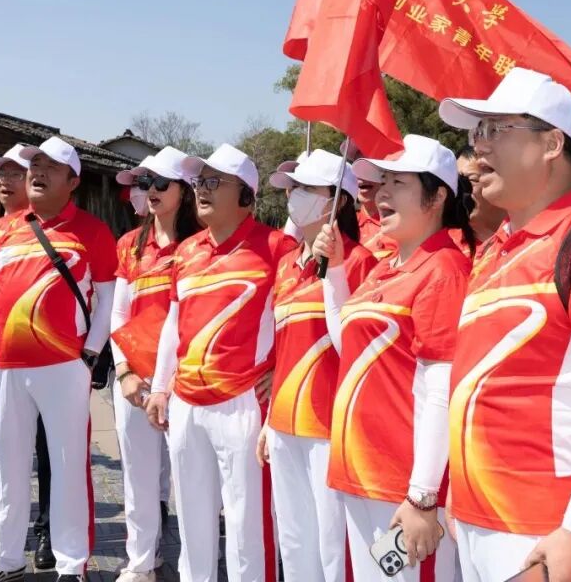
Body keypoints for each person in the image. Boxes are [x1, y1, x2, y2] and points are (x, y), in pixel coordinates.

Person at [437, 69, 571, 582]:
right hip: (476, 516)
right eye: (478, 132)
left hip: (542, 525)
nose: (479, 147)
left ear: (553, 143)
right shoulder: (492, 251)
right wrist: (455, 492)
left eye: (497, 130)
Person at [0, 136, 117, 582]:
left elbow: (109, 298)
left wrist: (90, 353)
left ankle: (71, 564)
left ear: (73, 181)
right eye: (34, 165)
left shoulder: (92, 231)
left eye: (50, 167)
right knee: (8, 466)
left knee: (67, 465)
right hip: (2, 366)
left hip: (64, 366)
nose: (38, 173)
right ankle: (5, 558)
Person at [315, 134, 472, 581]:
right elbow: (348, 347)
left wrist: (422, 495)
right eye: (381, 182)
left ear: (437, 196)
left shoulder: (444, 269)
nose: (382, 193)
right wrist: (336, 271)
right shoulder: (386, 267)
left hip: (403, 484)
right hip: (358, 469)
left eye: (398, 183)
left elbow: (442, 387)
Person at [146, 143, 295, 582]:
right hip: (186, 402)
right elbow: (174, 323)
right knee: (192, 520)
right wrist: (161, 386)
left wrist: (282, 371)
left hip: (243, 401)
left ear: (246, 195)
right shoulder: (187, 251)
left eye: (215, 182)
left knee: (248, 524)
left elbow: (296, 320)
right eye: (199, 182)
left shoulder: (278, 247)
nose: (202, 190)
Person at [257, 149, 377, 582]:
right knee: (294, 539)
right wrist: (269, 422)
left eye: (307, 188)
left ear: (337, 201)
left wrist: (334, 270)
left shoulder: (361, 263)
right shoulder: (287, 265)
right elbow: (285, 351)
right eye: (293, 188)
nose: (295, 195)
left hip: (329, 428)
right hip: (285, 424)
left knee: (333, 544)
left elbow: (355, 348)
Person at [107, 147, 201, 582]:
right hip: (136, 379)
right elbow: (118, 313)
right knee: (139, 477)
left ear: (185, 190)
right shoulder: (130, 244)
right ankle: (142, 561)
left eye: (161, 182)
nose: (151, 190)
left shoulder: (200, 245)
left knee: (190, 478)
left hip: (187, 379)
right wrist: (124, 372)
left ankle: (195, 565)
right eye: (145, 182)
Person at [0, 144, 56, 569]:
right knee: (2, 449)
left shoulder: (48, 226)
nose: (6, 180)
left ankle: (48, 528)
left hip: (43, 360)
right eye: (0, 173)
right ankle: (3, 533)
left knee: (48, 449)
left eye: (16, 173)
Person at [455, 145, 506, 258]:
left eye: (471, 180)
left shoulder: (528, 240)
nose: (461, 190)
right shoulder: (448, 246)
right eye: (457, 182)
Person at [356, 170, 398, 261]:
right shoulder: (341, 226)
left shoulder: (402, 226)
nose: (361, 179)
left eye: (369, 171)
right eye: (357, 172)